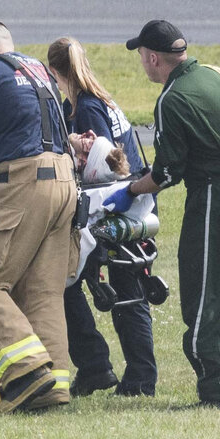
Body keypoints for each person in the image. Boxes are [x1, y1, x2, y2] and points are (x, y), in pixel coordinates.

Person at [112, 20, 220, 407]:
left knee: (201, 299)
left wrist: (131, 189)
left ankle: (216, 394)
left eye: (141, 55)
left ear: (154, 58)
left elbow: (167, 173)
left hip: (212, 201)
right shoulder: (215, 74)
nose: (141, 61)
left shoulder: (172, 100)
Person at [0, 20, 80, 413]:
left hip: (23, 185)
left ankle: (25, 374)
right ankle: (54, 384)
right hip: (64, 185)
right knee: (41, 292)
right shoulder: (39, 70)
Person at [47, 37, 157, 397]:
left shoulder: (86, 109)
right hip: (135, 206)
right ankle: (134, 376)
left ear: (54, 72)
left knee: (67, 283)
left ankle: (102, 367)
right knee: (128, 290)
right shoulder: (93, 100)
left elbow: (107, 166)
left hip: (115, 207)